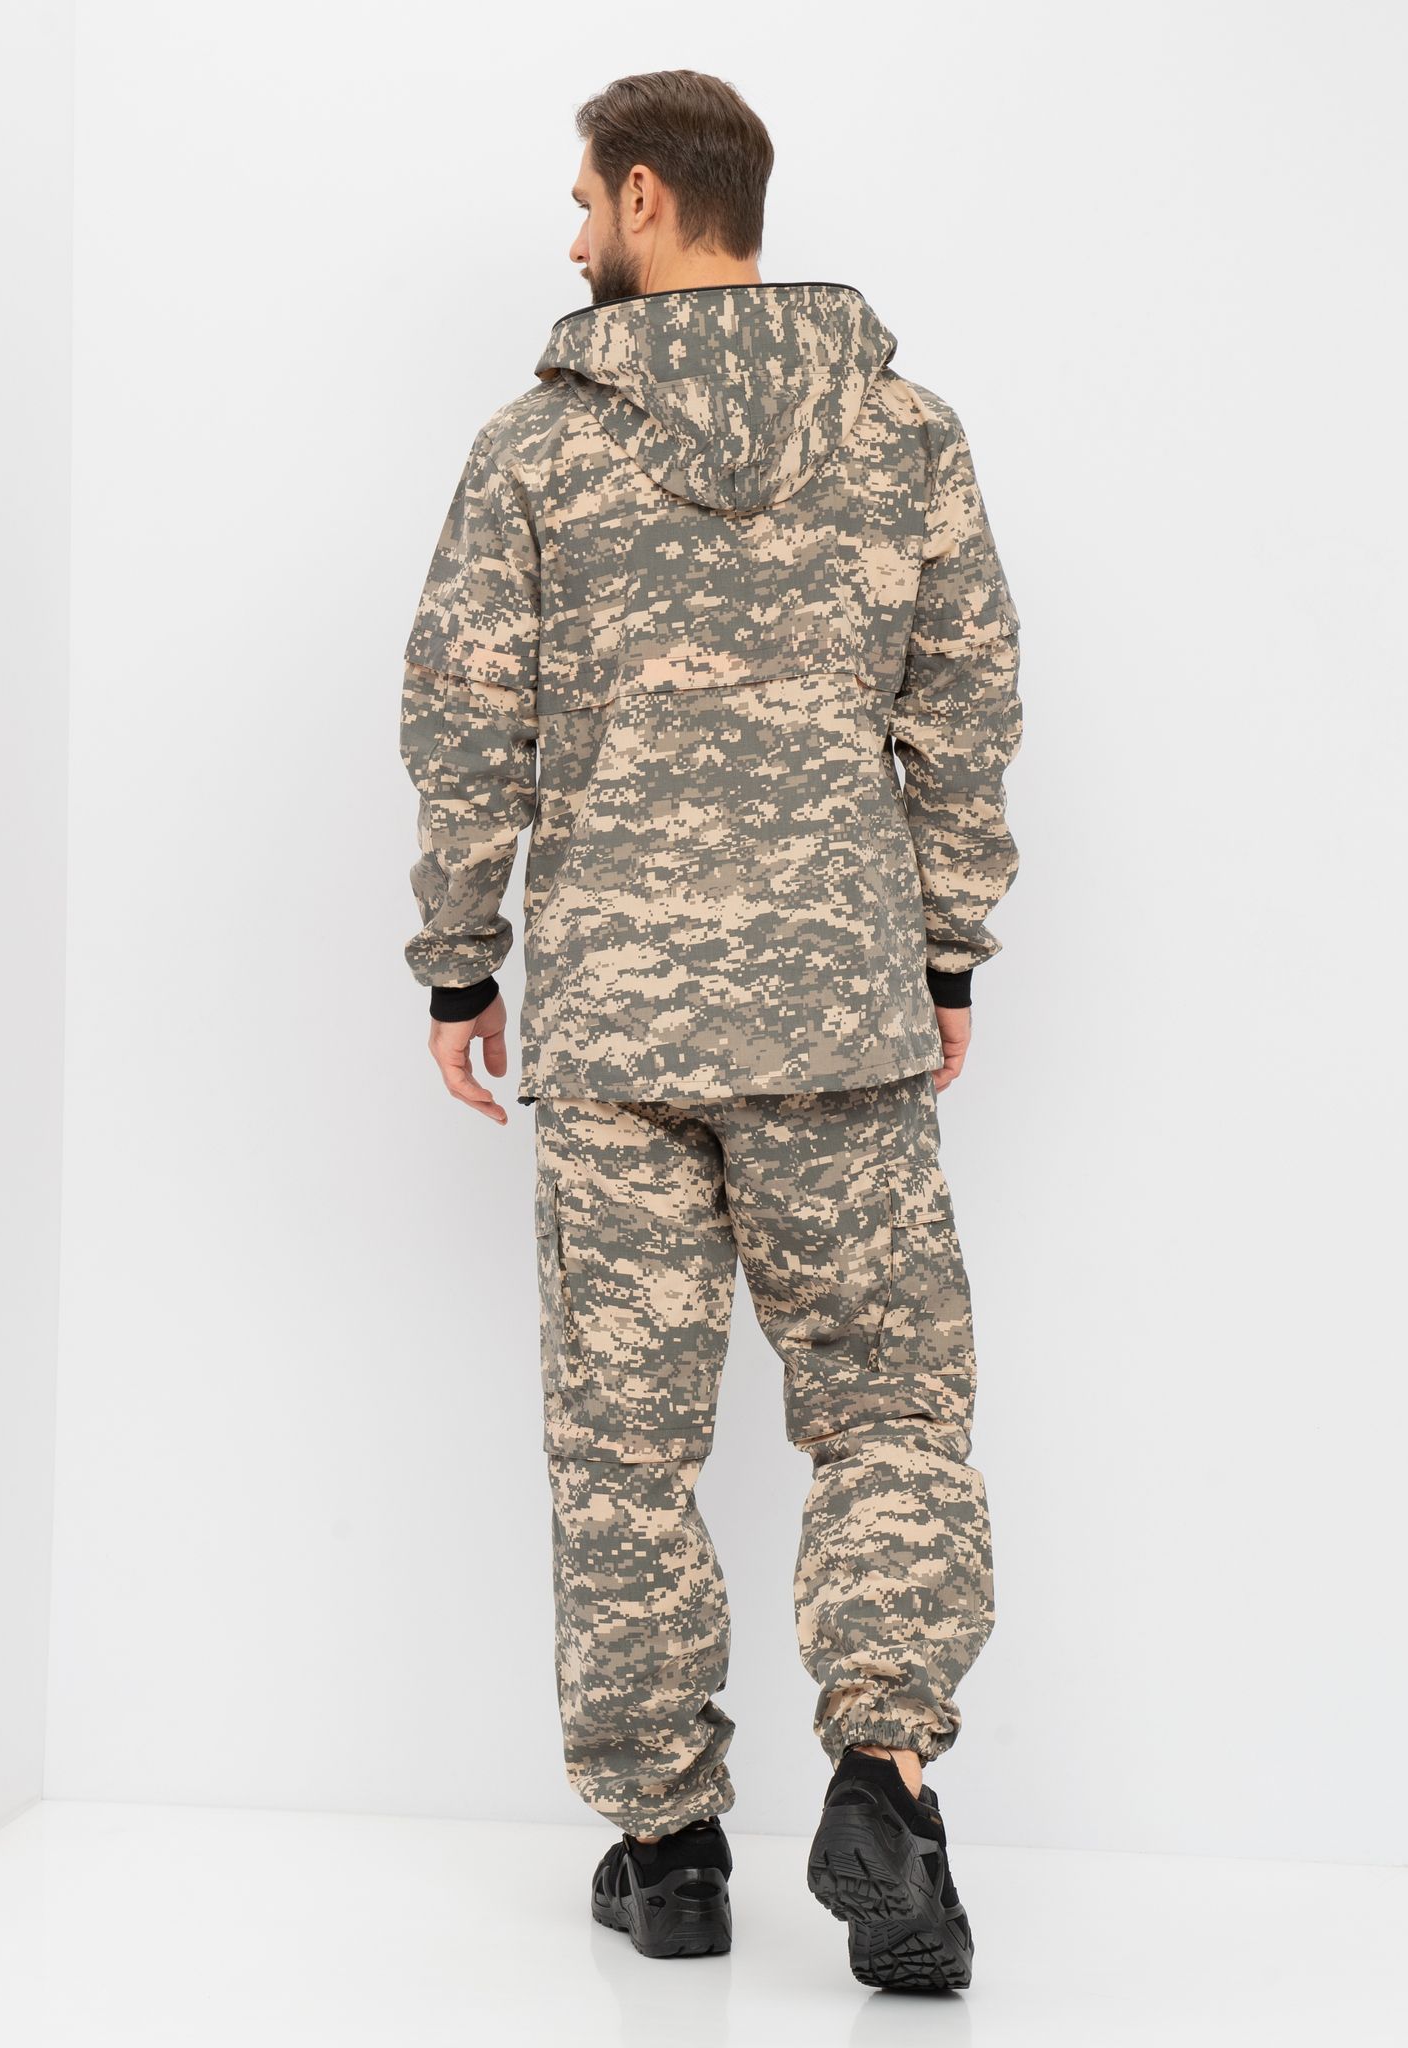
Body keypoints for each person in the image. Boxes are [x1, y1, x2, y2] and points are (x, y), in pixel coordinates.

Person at [398, 68, 1022, 1994]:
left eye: (587, 199)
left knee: (625, 1448)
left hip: (618, 1034)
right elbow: (966, 706)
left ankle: (668, 1852)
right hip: (840, 1014)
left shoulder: (537, 450)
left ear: (653, 198)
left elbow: (463, 716)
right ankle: (885, 1775)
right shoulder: (906, 435)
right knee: (890, 1406)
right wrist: (945, 952)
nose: (573, 233)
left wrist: (460, 961)